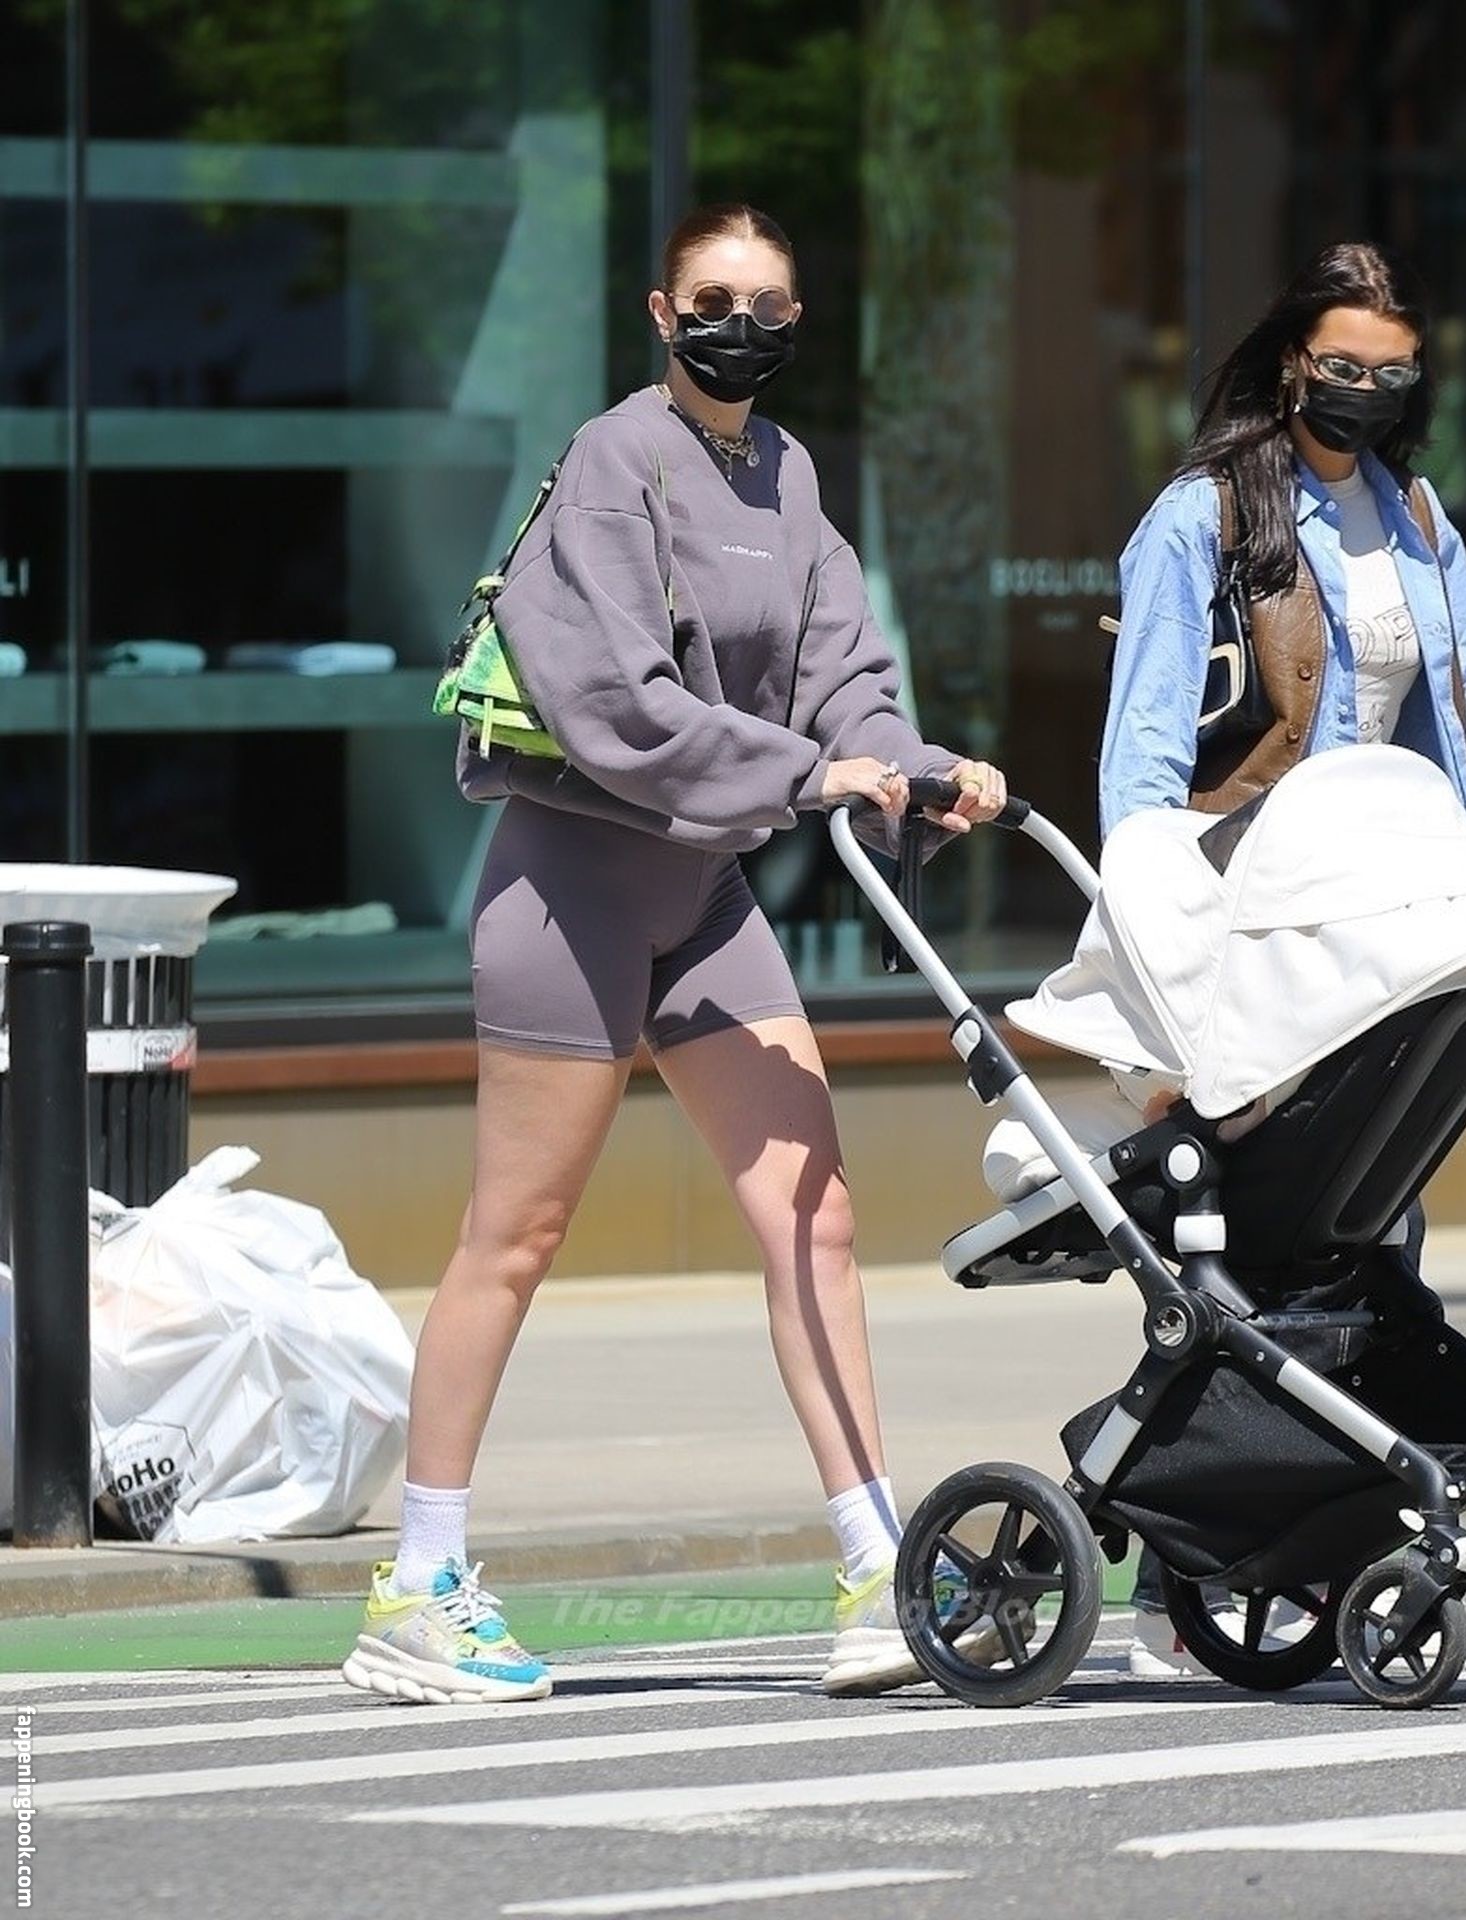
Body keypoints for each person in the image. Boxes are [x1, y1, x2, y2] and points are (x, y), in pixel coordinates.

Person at [341, 202, 1007, 1705]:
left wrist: (914, 768)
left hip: (702, 893)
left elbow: (848, 674)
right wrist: (813, 775)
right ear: (662, 311)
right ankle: (418, 1587)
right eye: (713, 300)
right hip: (571, 883)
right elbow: (617, 704)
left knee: (813, 1216)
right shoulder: (615, 459)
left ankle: (875, 1569)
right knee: (516, 1235)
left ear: (797, 322)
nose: (740, 327)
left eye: (767, 305)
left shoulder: (792, 477)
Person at [1099, 240, 1466, 1677]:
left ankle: (1334, 1548)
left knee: (1366, 1231)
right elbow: (1143, 760)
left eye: (1391, 374)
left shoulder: (1415, 517)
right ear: (1293, 361)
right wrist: (1158, 976)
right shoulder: (1203, 518)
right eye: (1341, 366)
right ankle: (1184, 1570)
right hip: (1255, 921)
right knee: (1244, 1249)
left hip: (1387, 923)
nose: (1364, 391)